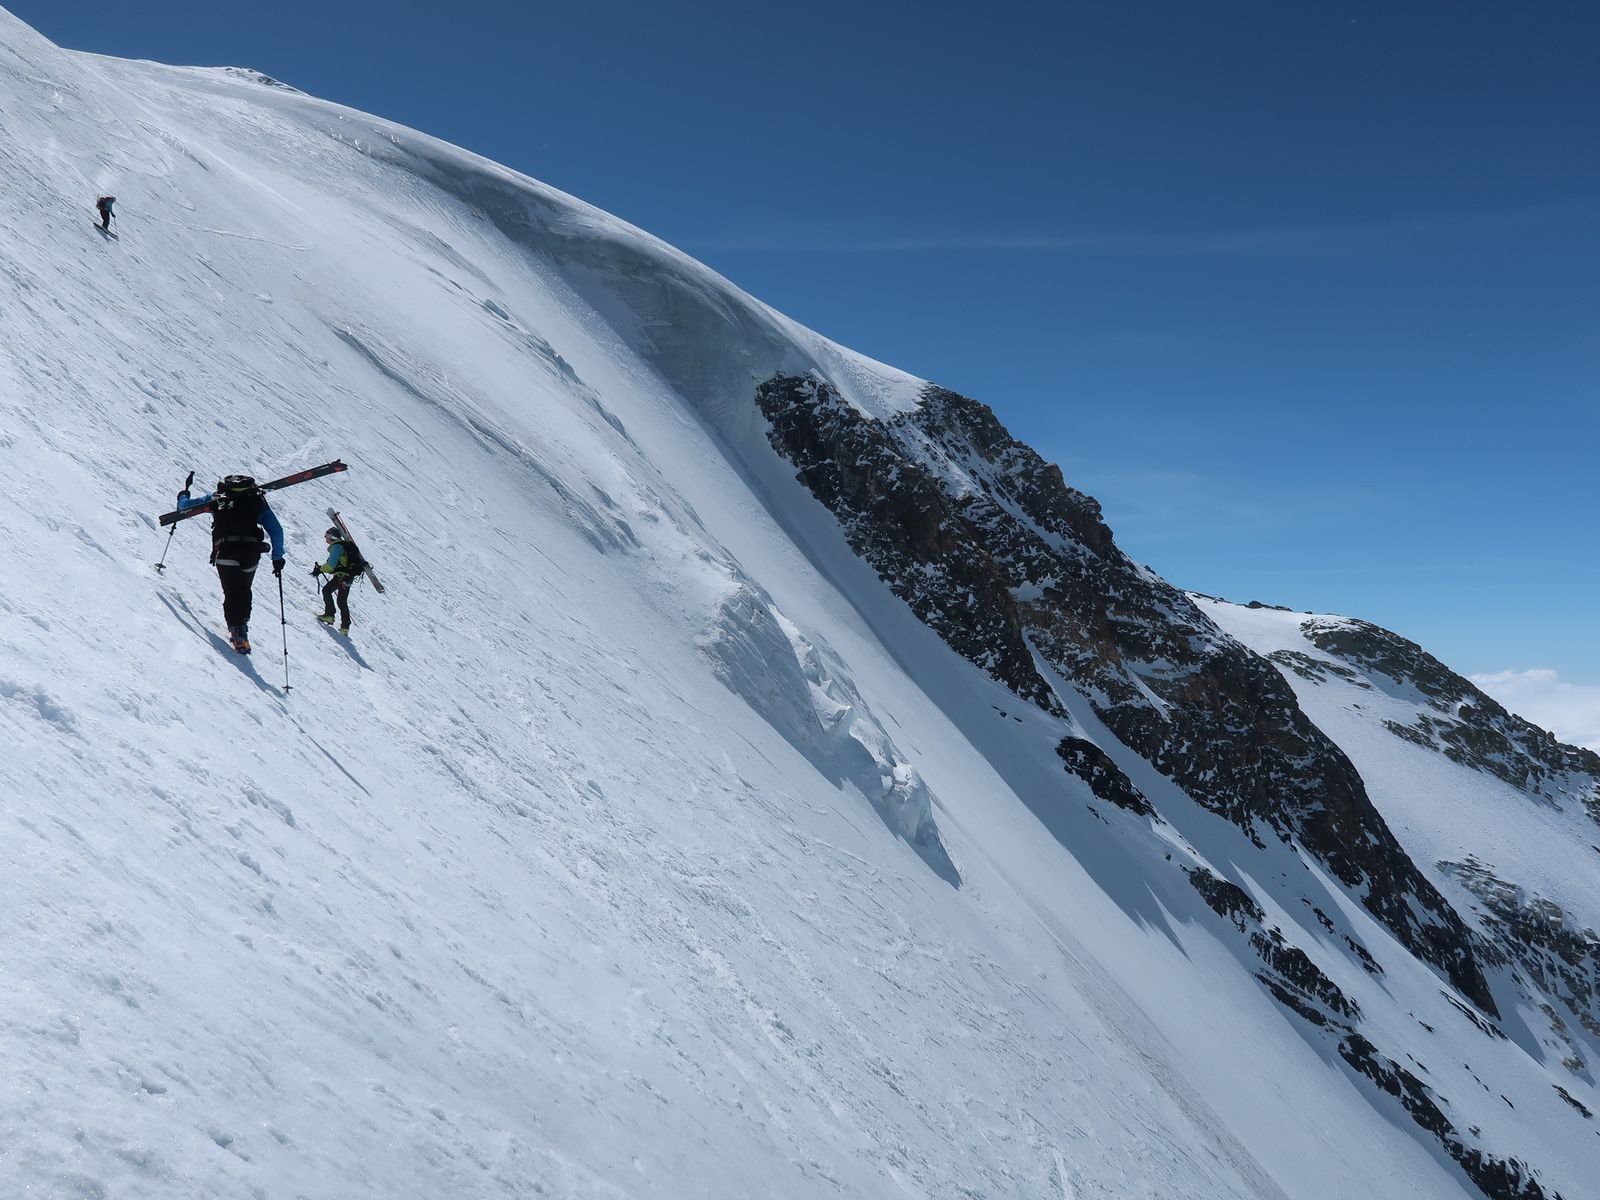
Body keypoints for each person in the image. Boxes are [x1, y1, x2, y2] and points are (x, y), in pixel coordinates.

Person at [177, 475, 285, 654]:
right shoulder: (256, 501)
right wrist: (277, 556)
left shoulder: (217, 498)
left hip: (226, 550)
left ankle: (237, 630)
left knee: (232, 591)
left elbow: (184, 508)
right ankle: (242, 623)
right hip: (251, 552)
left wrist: (183, 495)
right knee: (244, 589)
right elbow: (276, 530)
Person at [311, 526, 363, 634]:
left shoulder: (337, 547)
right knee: (342, 600)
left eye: (326, 536)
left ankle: (330, 615)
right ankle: (345, 627)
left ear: (331, 537)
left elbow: (331, 565)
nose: (325, 538)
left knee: (326, 591)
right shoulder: (342, 546)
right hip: (348, 576)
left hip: (341, 576)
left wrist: (320, 570)